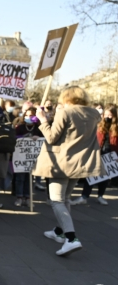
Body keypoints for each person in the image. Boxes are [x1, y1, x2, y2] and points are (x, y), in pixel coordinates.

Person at [33, 86, 103, 256]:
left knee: (56, 200)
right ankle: (60, 231)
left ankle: (71, 238)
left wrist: (42, 120)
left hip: (62, 162)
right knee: (65, 199)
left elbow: (51, 137)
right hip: (81, 162)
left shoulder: (65, 113)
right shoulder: (94, 114)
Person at [70, 107, 118, 206]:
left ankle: (100, 196)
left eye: (110, 115)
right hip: (97, 152)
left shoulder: (116, 128)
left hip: (110, 154)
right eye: (106, 115)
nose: (108, 117)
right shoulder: (98, 126)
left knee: (105, 176)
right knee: (91, 175)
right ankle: (84, 196)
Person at [13, 107, 42, 207]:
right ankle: (19, 197)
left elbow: (45, 139)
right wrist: (24, 138)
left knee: (29, 179)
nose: (29, 117)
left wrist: (39, 138)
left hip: (32, 158)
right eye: (27, 115)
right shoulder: (20, 127)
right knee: (20, 178)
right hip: (21, 158)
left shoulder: (39, 128)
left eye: (31, 115)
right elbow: (14, 137)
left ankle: (28, 198)